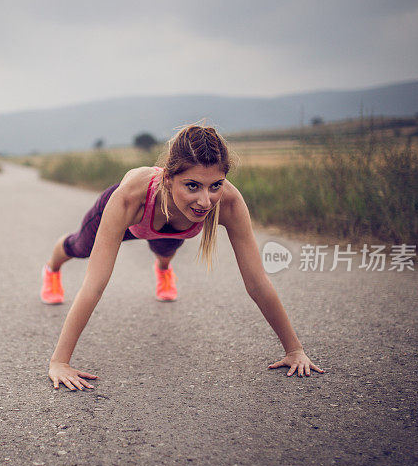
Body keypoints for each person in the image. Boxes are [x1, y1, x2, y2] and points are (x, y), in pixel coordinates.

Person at [41, 124, 324, 390]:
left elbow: (257, 283)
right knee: (80, 247)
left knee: (166, 249)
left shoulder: (229, 203)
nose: (205, 201)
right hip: (132, 219)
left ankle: (163, 270)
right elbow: (95, 285)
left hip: (168, 228)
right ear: (168, 178)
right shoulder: (130, 197)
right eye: (192, 185)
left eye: (215, 185)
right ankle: (52, 270)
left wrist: (294, 349)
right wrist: (60, 362)